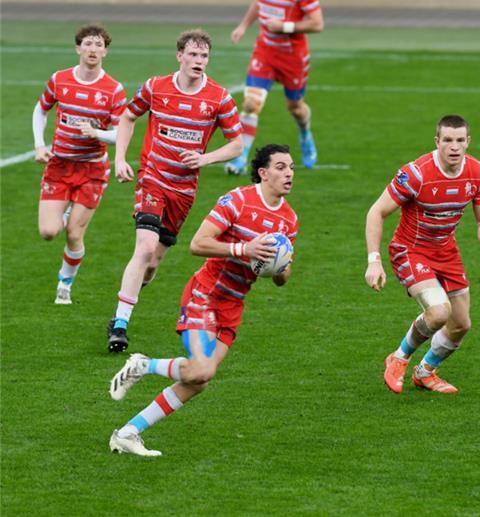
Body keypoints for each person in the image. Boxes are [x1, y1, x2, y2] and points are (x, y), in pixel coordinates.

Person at [108, 144, 298, 457]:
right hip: (205, 294)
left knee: (198, 380)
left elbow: (283, 276)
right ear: (264, 173)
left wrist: (276, 268)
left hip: (233, 306)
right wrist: (243, 250)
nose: (288, 173)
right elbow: (198, 243)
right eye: (280, 167)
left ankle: (128, 432)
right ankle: (143, 365)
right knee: (202, 371)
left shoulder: (289, 220)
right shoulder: (237, 200)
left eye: (291, 167)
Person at [108, 29, 243, 353]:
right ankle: (120, 323)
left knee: (152, 263)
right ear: (179, 56)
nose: (199, 61)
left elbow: (237, 144)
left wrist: (205, 158)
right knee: (144, 246)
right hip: (152, 178)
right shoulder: (156, 87)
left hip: (183, 190)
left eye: (204, 56)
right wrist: (120, 159)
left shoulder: (219, 97)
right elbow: (128, 117)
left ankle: (131, 293)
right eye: (193, 55)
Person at [365, 115, 480, 394]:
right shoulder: (416, 174)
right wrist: (373, 261)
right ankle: (398, 357)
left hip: (446, 251)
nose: (454, 146)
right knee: (438, 313)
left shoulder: (477, 172)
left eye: (460, 140)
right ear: (437, 142)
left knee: (461, 324)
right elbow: (376, 212)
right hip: (410, 250)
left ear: (468, 142)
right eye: (447, 140)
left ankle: (425, 372)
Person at [33, 24, 127, 305]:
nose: (93, 49)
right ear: (78, 48)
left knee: (75, 234)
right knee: (49, 232)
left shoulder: (113, 90)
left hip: (92, 170)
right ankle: (64, 213)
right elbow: (41, 109)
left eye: (99, 45)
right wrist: (39, 144)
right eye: (88, 44)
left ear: (105, 52)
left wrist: (96, 134)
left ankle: (65, 283)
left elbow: (122, 132)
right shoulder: (59, 79)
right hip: (60, 165)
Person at [225, 0, 324, 174]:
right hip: (265, 52)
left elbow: (317, 23)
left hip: (293, 58)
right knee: (250, 104)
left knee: (295, 107)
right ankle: (240, 158)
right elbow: (259, 2)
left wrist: (284, 26)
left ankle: (305, 134)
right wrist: (243, 26)